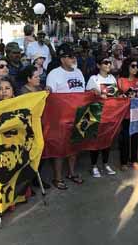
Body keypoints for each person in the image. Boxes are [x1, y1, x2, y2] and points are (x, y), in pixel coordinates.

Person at [46, 43, 85, 190]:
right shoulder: (54, 74)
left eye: (74, 55)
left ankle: (72, 173)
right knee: (59, 148)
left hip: (78, 116)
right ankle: (58, 177)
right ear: (62, 59)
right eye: (70, 56)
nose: (74, 58)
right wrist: (47, 90)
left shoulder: (79, 72)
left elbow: (83, 93)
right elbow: (51, 95)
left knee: (75, 146)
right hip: (61, 118)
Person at [85, 56, 117, 178]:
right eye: (105, 62)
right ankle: (93, 165)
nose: (108, 64)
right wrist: (93, 92)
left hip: (110, 113)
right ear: (98, 65)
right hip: (97, 113)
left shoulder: (112, 78)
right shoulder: (93, 78)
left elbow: (115, 94)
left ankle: (105, 163)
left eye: (109, 62)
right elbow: (86, 96)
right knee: (95, 140)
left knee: (107, 139)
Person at [117, 58, 138, 170]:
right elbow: (117, 95)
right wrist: (122, 96)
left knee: (136, 137)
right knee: (124, 137)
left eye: (137, 66)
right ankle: (123, 161)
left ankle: (134, 160)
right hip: (125, 113)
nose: (136, 68)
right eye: (133, 66)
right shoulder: (121, 80)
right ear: (127, 67)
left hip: (137, 112)